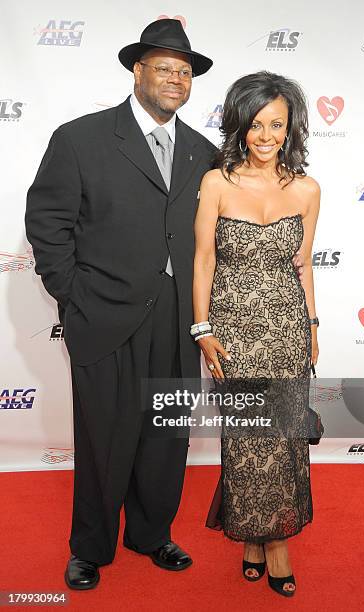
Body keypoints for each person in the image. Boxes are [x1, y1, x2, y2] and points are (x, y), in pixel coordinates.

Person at [25, 18, 216, 589]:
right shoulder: (80, 137)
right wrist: (74, 295)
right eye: (163, 67)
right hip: (104, 314)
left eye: (184, 72)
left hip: (178, 320)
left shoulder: (203, 153)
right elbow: (48, 224)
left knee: (166, 435)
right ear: (137, 70)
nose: (175, 79)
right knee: (105, 438)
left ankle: (152, 534)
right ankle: (91, 546)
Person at [193, 71, 320, 597]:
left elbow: (304, 264)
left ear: (290, 129)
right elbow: (203, 259)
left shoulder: (308, 189)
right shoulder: (217, 182)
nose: (266, 136)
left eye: (277, 124)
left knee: (284, 439)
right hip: (234, 333)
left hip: (288, 330)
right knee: (246, 441)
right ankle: (267, 541)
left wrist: (312, 326)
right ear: (239, 125)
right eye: (256, 125)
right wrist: (202, 328)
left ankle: (263, 543)